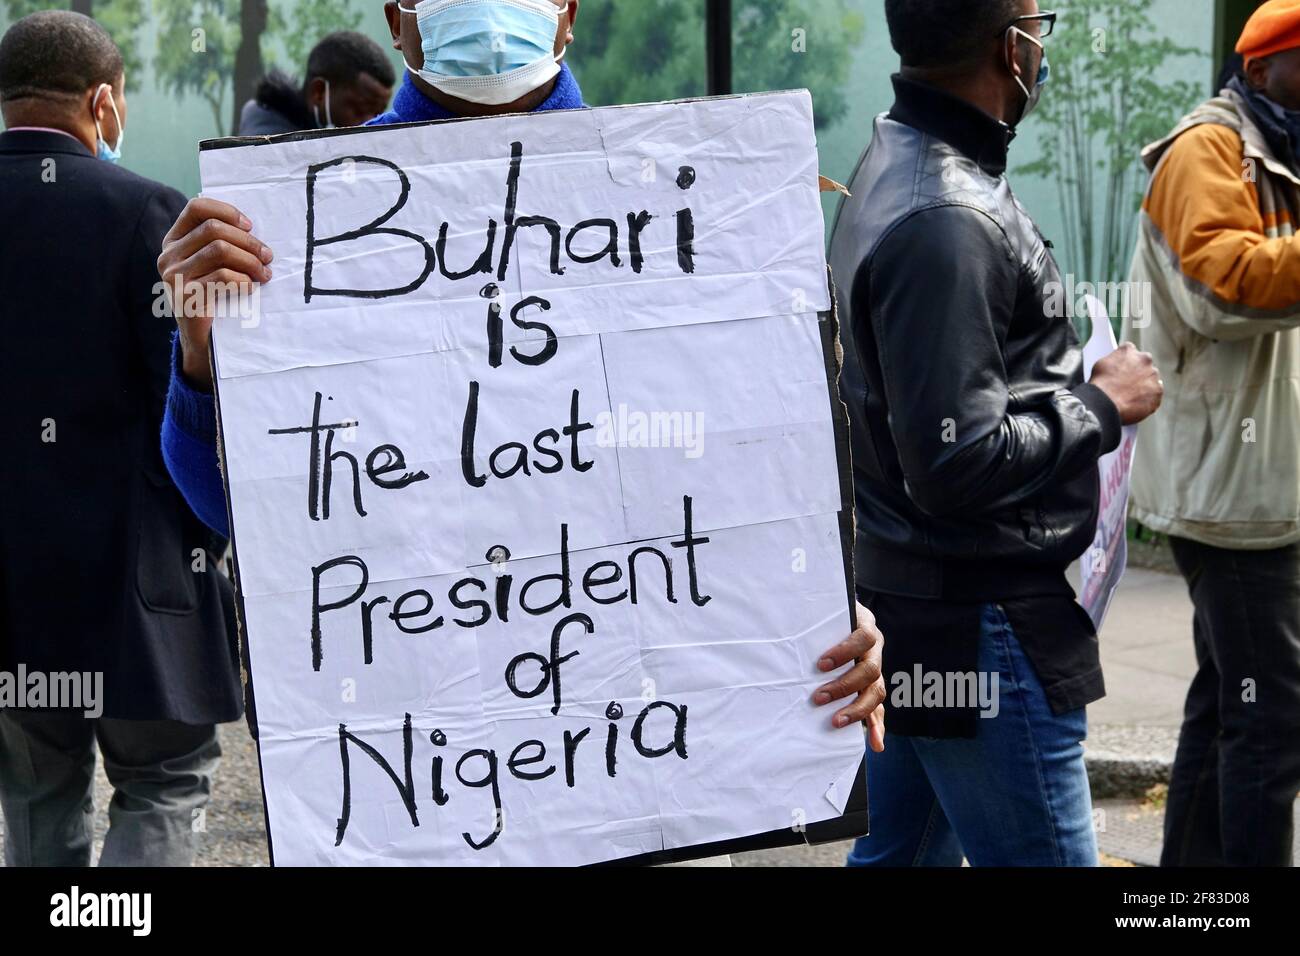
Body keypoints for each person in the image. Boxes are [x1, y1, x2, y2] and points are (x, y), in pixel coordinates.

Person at [157, 0, 888, 834]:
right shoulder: (286, 225)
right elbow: (227, 510)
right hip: (414, 783)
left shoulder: (680, 192)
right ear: (400, 18)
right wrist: (201, 353)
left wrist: (813, 607)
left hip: (641, 765)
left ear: (567, 15)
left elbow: (741, 479)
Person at [829, 0, 1164, 867]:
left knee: (899, 857)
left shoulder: (904, 161)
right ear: (1007, 47)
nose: (1042, 39)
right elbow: (955, 458)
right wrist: (1098, 404)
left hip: (923, 605)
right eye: (1036, 20)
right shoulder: (947, 215)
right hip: (980, 621)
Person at [0, 10, 242, 866]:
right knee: (165, 781)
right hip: (141, 591)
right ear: (103, 103)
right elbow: (192, 395)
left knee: (34, 794)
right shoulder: (150, 214)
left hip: (14, 596)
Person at [1123, 0, 1300, 867]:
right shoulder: (1204, 152)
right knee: (1270, 722)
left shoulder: (1279, 150)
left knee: (1230, 699)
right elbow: (1227, 289)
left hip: (1259, 485)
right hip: (1229, 499)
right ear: (1260, 70)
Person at [237, 30, 396, 136]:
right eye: (360, 110)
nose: (372, 123)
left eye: (378, 114)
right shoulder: (270, 143)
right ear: (319, 93)